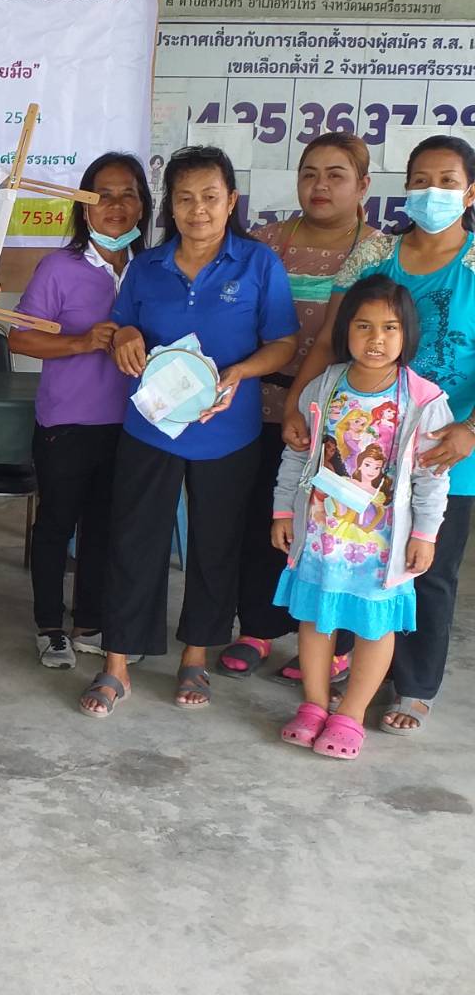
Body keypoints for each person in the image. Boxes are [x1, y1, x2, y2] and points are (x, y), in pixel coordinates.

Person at [78, 145, 298, 717]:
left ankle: (195, 656)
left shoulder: (257, 264)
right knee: (134, 541)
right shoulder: (147, 266)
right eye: (184, 199)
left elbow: (283, 342)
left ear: (231, 201)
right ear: (170, 207)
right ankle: (117, 664)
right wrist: (125, 335)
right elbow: (122, 326)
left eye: (210, 197)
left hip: (228, 430)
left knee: (214, 544)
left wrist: (241, 372)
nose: (198, 210)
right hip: (151, 426)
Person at [283, 134, 475, 733]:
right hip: (357, 446)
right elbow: (329, 338)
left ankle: (413, 687)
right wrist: (295, 403)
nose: (432, 191)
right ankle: (350, 675)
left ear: (470, 193)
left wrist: (470, 429)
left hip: (446, 445)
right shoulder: (374, 253)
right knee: (349, 557)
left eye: (447, 181)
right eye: (421, 180)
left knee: (427, 567)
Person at [272, 277, 450, 759]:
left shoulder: (424, 399)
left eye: (390, 327)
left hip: (382, 543)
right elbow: (298, 455)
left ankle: (350, 715)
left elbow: (433, 475)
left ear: (407, 332)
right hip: (322, 534)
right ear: (344, 330)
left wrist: (426, 534)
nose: (376, 339)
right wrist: (283, 510)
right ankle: (314, 705)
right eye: (363, 326)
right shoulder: (324, 385)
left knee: (374, 625)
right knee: (315, 620)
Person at [220, 133, 372, 684]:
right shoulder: (264, 243)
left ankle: (333, 643)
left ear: (363, 185)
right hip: (259, 405)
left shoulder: (379, 252)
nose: (320, 185)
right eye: (309, 173)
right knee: (265, 516)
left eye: (336, 174)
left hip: (342, 418)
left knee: (337, 529)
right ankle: (257, 628)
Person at [8, 151, 151, 669]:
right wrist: (82, 341)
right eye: (102, 194)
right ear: (83, 207)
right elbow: (20, 338)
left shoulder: (153, 269)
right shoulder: (59, 268)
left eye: (128, 193)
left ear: (143, 205)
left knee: (105, 527)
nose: (116, 205)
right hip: (66, 423)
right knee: (56, 525)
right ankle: (50, 626)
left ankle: (89, 622)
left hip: (134, 424)